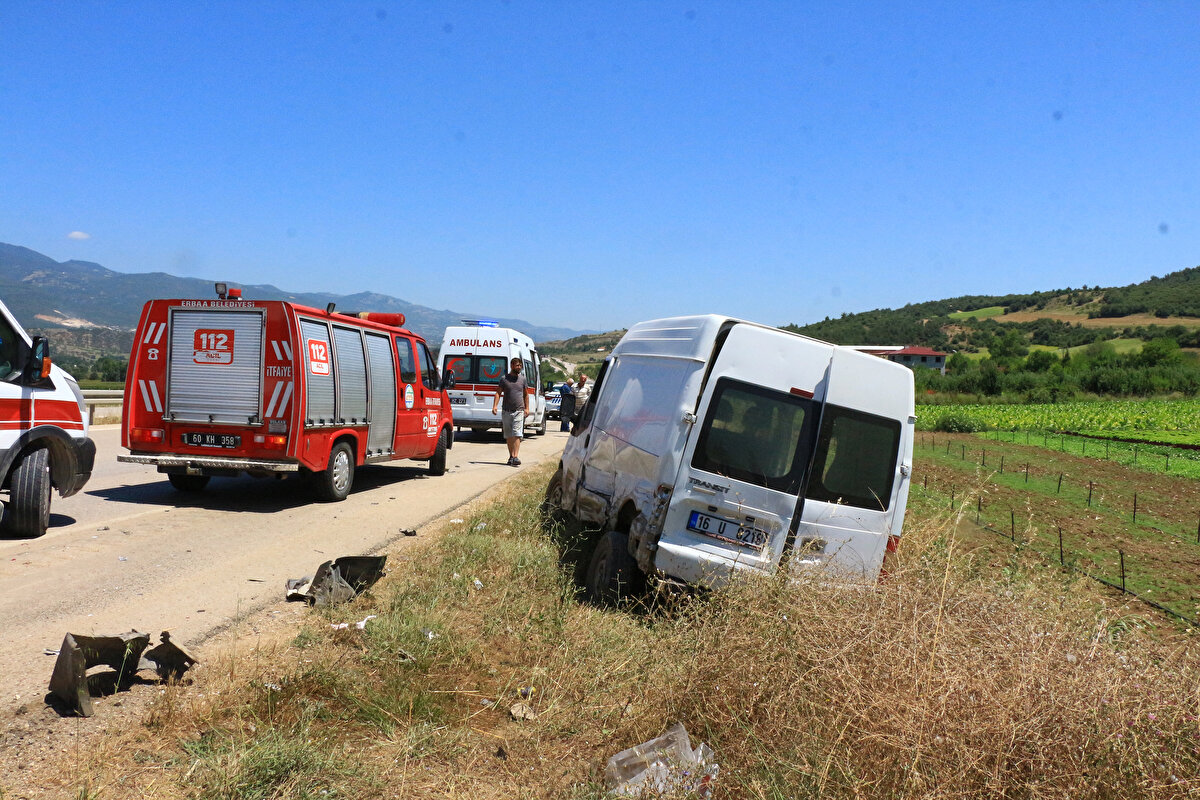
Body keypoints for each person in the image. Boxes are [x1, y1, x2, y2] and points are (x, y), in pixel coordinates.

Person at [492, 357, 530, 466]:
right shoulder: (504, 379)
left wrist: (527, 408)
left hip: (519, 410)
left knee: (517, 434)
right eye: (517, 365)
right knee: (509, 435)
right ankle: (511, 456)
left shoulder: (522, 379)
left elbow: (526, 395)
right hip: (506, 410)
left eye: (520, 365)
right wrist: (495, 406)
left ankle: (515, 456)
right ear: (512, 366)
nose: (519, 367)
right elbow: (498, 393)